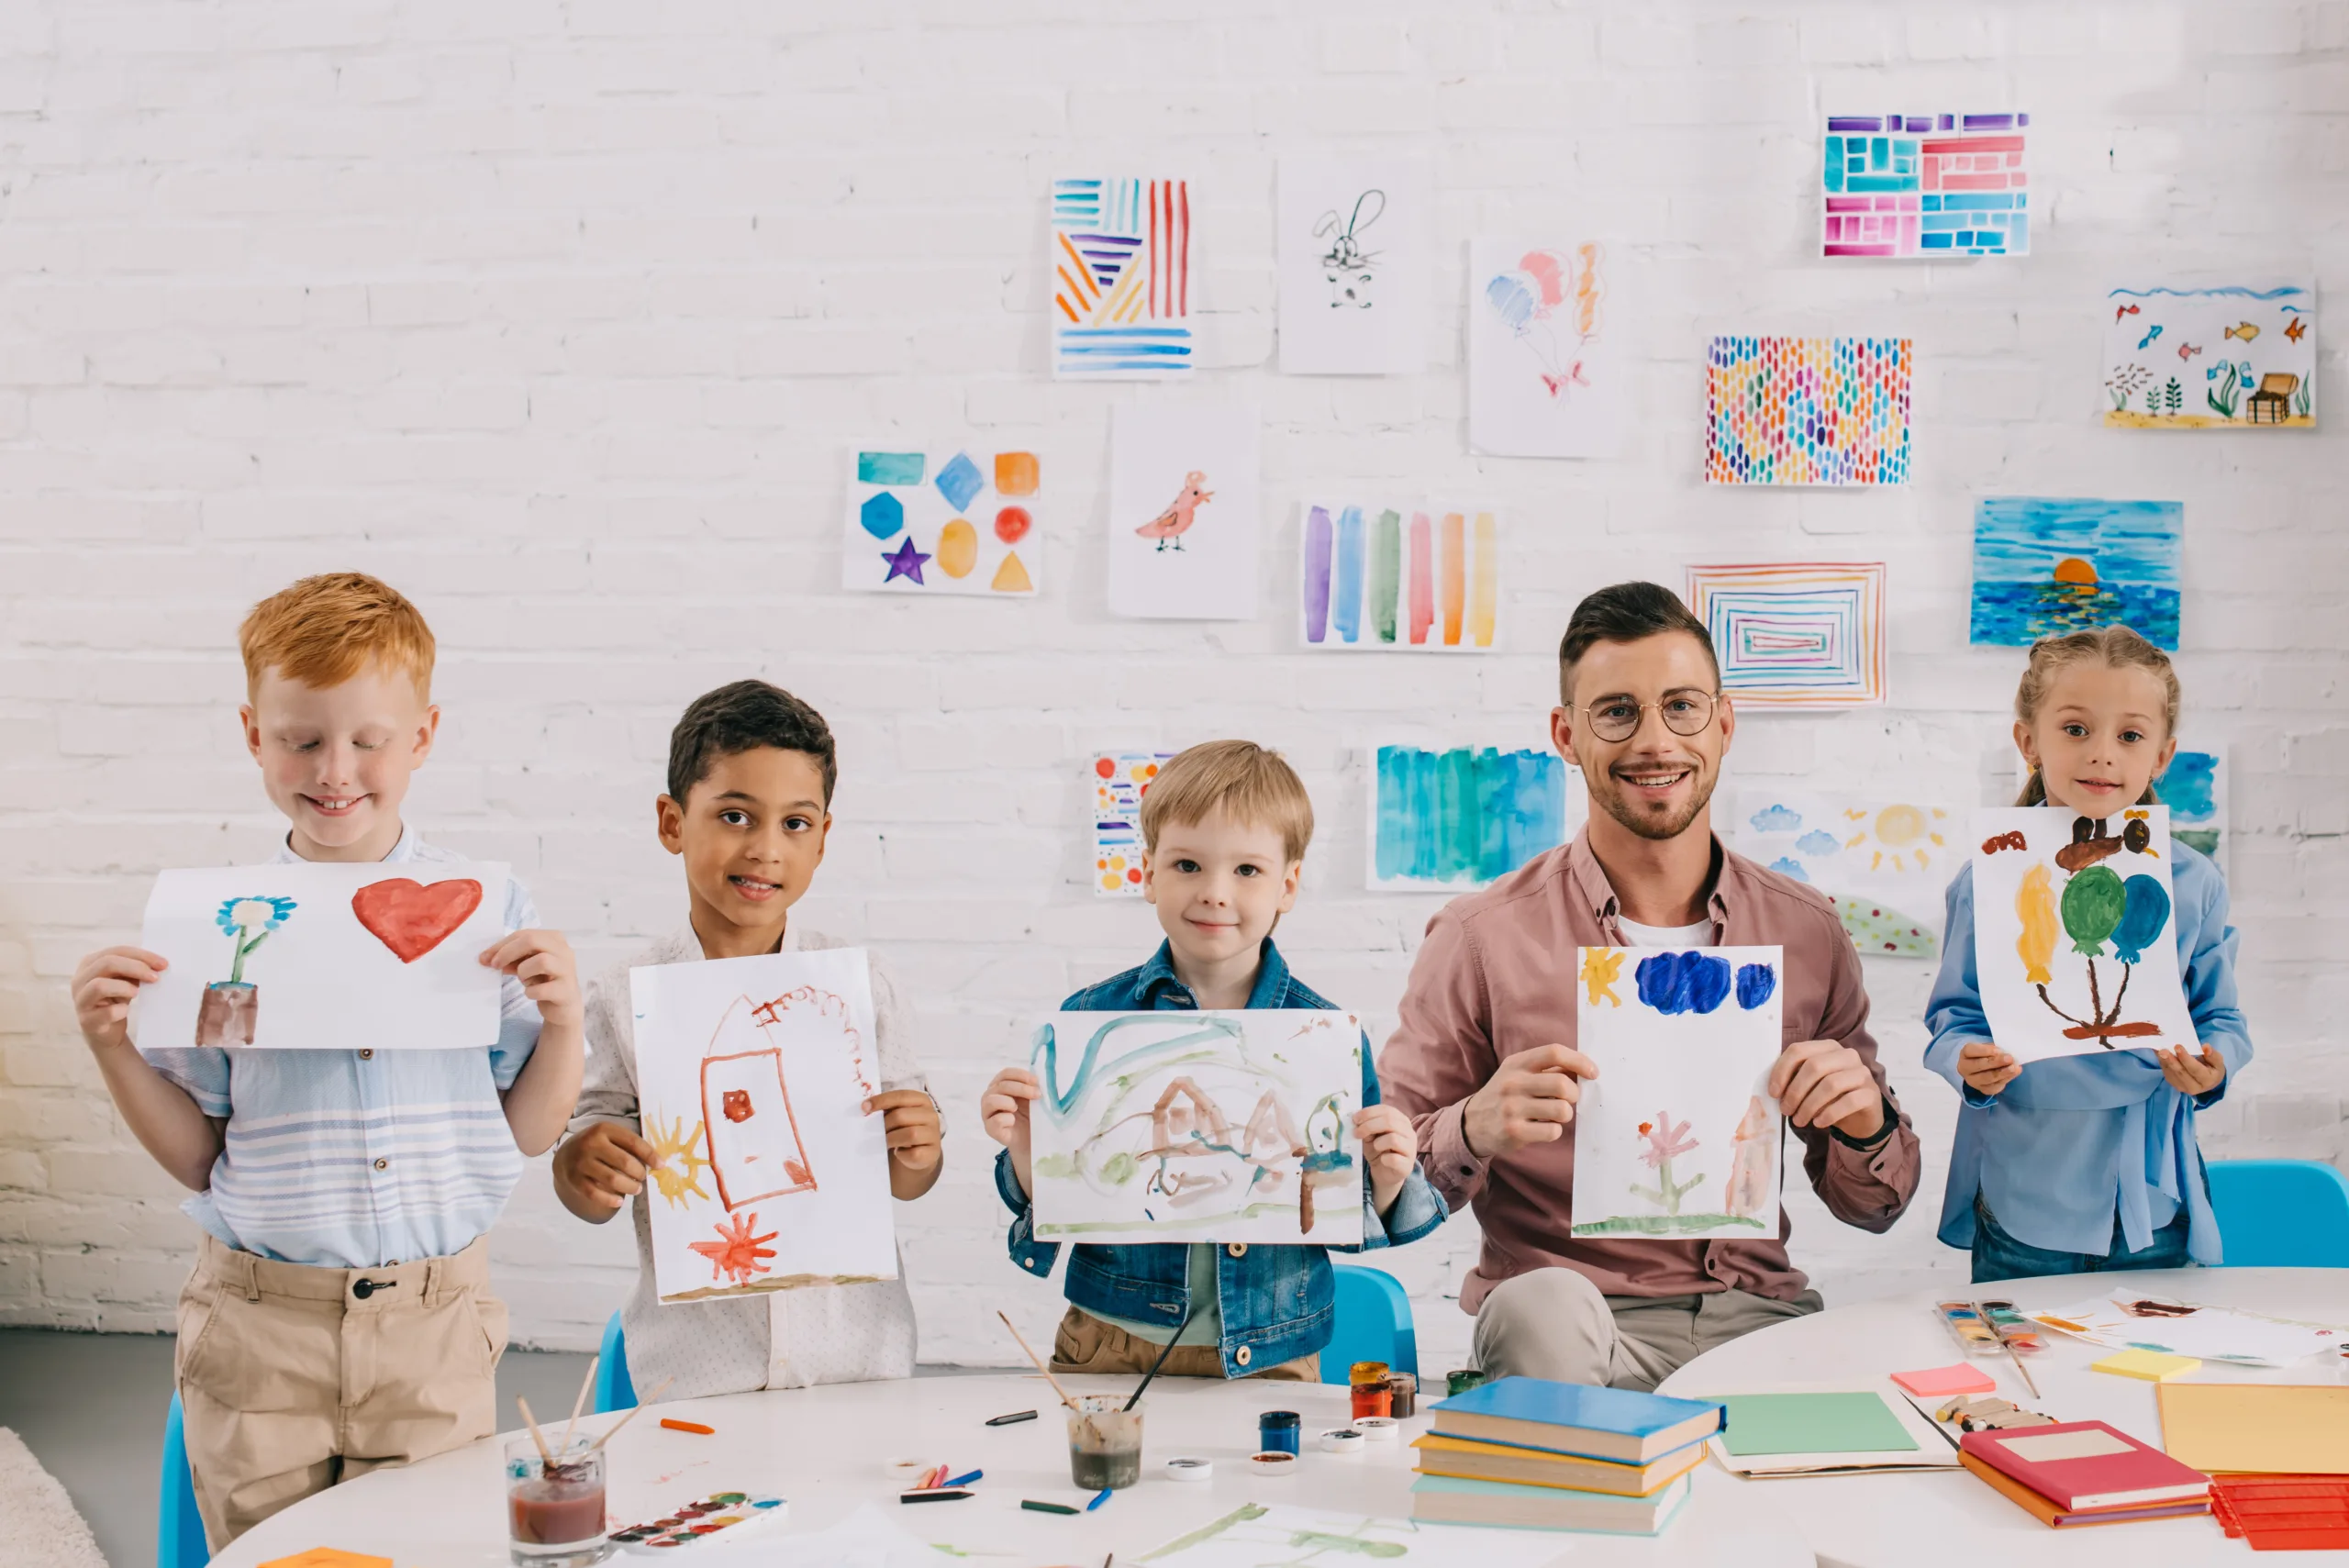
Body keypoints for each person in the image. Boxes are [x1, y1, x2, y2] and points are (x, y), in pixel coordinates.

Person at [67, 573, 584, 1547]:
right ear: (253, 734)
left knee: (435, 1547)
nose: (335, 767)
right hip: (262, 1328)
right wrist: (111, 1043)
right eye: (302, 738)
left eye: (368, 738)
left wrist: (563, 1024)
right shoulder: (227, 931)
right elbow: (196, 1154)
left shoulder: (489, 908)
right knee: (273, 1552)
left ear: (422, 736)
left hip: (433, 1322)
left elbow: (526, 1129)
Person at [1378, 582, 1920, 1392]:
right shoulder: (1480, 937)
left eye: (1681, 707)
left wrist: (1867, 1123)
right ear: (1566, 734)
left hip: (1760, 1321)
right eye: (1617, 711)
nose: (1655, 740)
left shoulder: (1807, 931)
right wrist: (1472, 1126)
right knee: (1544, 1308)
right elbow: (1383, 1192)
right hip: (1572, 1323)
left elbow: (1875, 1207)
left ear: (1725, 724)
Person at [979, 740, 1446, 1379]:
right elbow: (1049, 1194)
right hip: (1109, 1340)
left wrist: (1390, 1176)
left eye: (1247, 870)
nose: (1216, 893)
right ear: (1147, 873)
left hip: (1272, 1352)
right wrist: (1031, 1150)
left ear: (1288, 885)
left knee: (1263, 1484)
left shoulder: (1325, 1037)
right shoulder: (1091, 1022)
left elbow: (1346, 1205)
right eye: (1189, 864)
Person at [552, 680, 944, 1396]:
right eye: (735, 815)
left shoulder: (865, 983)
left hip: (857, 1357)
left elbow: (907, 1179)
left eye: (795, 824)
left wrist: (921, 1147)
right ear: (673, 823)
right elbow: (590, 1180)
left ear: (823, 838)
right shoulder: (623, 994)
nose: (765, 849)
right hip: (697, 1366)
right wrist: (581, 1163)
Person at [1926, 628, 2249, 1281]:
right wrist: (1966, 1061)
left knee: (2150, 1372)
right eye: (2075, 728)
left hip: (2150, 1200)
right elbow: (1951, 1016)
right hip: (2026, 1192)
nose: (2102, 754)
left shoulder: (2193, 885)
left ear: (2163, 756)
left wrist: (2213, 1067)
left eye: (2130, 736)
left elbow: (2224, 1022)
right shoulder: (1988, 879)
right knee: (2028, 1375)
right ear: (2028, 742)